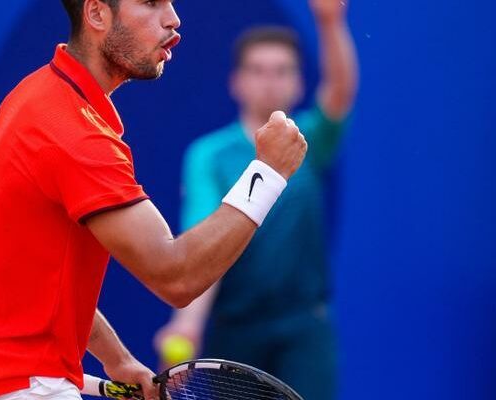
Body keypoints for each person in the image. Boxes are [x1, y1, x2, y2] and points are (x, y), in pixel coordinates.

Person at [0, 0, 309, 399]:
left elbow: (39, 281)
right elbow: (176, 276)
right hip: (17, 388)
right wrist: (268, 173)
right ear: (96, 14)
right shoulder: (73, 134)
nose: (172, 18)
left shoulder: (39, 94)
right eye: (150, 3)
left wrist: (117, 359)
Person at [153, 1, 358, 399]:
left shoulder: (308, 141)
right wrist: (187, 323)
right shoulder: (209, 155)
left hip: (305, 330)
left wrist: (330, 22)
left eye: (282, 71)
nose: (270, 81)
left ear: (299, 83)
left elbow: (340, 92)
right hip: (236, 334)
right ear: (237, 81)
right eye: (258, 70)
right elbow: (204, 240)